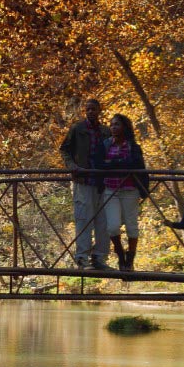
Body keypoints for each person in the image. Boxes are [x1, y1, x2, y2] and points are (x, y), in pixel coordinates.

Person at [58, 98, 112, 270]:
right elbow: (64, 149)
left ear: (99, 110)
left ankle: (100, 258)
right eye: (88, 109)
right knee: (83, 219)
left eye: (93, 109)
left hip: (102, 182)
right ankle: (82, 258)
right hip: (83, 181)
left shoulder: (105, 131)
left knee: (104, 221)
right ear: (85, 111)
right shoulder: (77, 129)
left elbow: (112, 152)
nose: (90, 112)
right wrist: (72, 166)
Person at [94, 114, 148, 271]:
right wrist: (118, 164)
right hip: (110, 189)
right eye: (111, 125)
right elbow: (99, 164)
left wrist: (111, 163)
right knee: (112, 226)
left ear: (124, 127)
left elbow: (135, 164)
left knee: (131, 226)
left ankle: (130, 260)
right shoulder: (105, 145)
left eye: (117, 124)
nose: (113, 127)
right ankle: (120, 255)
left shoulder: (132, 146)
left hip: (130, 190)